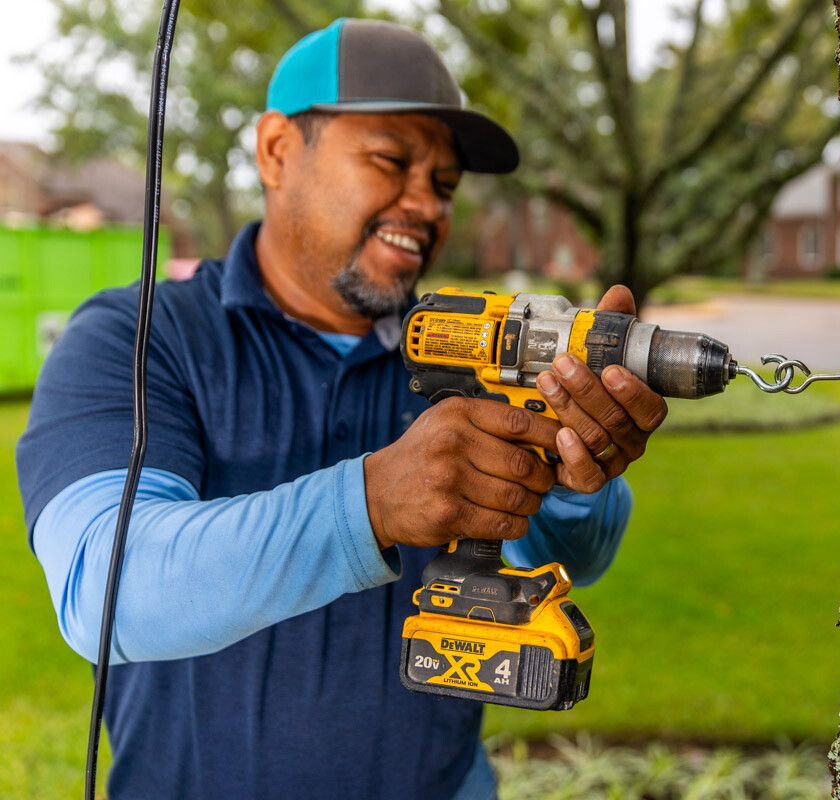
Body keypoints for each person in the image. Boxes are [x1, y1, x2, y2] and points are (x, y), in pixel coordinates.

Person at [16, 19, 666, 800]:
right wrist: (371, 502)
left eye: (447, 184)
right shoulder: (140, 336)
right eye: (391, 160)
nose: (424, 203)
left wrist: (570, 470)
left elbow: (569, 555)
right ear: (277, 151)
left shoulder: (470, 349)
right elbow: (103, 587)